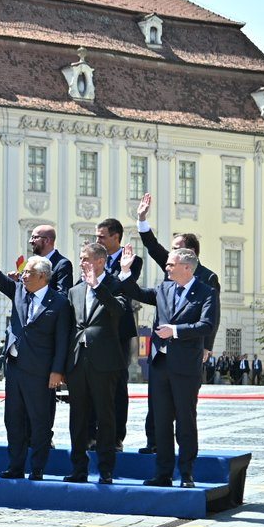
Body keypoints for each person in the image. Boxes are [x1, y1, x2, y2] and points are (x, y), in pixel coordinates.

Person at [116, 244, 219, 488]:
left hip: (185, 367)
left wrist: (175, 331)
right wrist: (124, 271)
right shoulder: (164, 288)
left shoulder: (206, 292)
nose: (167, 267)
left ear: (186, 267)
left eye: (171, 264)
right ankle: (162, 474)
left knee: (185, 421)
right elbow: (135, 293)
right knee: (161, 422)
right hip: (160, 365)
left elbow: (207, 325)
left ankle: (186, 474)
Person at [0, 230, 70, 481]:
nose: (22, 275)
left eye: (28, 272)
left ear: (42, 276)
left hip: (41, 371)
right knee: (13, 419)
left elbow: (62, 341)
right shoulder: (18, 291)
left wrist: (57, 371)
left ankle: (37, 467)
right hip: (15, 367)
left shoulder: (58, 302)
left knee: (39, 421)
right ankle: (15, 465)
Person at [135, 193, 221, 454]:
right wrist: (142, 220)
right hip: (162, 348)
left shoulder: (207, 277)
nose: (169, 254)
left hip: (188, 348)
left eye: (175, 248)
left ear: (189, 254)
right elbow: (153, 248)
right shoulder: (172, 269)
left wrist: (207, 346)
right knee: (157, 401)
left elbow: (211, 317)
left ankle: (184, 459)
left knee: (184, 406)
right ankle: (154, 443)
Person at [63, 243, 126, 484]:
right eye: (80, 258)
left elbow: (119, 311)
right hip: (78, 361)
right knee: (77, 417)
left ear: (101, 261)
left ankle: (106, 470)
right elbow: (70, 327)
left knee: (105, 416)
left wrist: (97, 287)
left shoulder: (113, 284)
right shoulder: (75, 290)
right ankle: (78, 468)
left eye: (86, 259)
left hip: (105, 362)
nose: (81, 263)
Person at [94, 218, 141, 450]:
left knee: (118, 386)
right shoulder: (94, 259)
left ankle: (116, 437)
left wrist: (104, 274)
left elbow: (121, 287)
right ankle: (93, 434)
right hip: (94, 331)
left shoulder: (133, 260)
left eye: (102, 236)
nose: (98, 240)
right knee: (93, 382)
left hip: (118, 331)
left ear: (116, 237)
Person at [29, 224, 73, 293]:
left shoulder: (62, 264)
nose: (30, 241)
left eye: (35, 237)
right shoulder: (31, 263)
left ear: (47, 240)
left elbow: (63, 295)